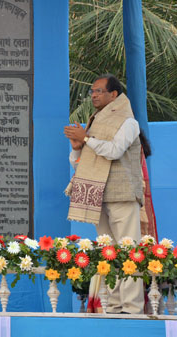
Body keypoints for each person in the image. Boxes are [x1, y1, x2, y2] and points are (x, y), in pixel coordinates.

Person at [64, 74, 144, 314]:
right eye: (92, 91)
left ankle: (132, 308)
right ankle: (114, 305)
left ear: (114, 95)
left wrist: (86, 139)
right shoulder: (95, 123)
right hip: (98, 195)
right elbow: (81, 163)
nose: (94, 95)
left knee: (129, 251)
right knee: (109, 252)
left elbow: (113, 151)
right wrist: (78, 148)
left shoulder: (128, 122)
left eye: (99, 91)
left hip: (122, 195)